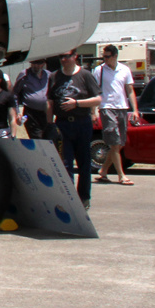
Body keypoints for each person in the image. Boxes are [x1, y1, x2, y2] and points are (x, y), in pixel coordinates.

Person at [48, 51, 102, 207]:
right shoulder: (54, 77)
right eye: (61, 57)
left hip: (81, 123)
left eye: (67, 56)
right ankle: (69, 198)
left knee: (84, 163)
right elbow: (50, 101)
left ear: (75, 56)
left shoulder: (85, 75)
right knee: (65, 163)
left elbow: (98, 98)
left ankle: (84, 197)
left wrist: (77, 103)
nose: (64, 59)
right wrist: (49, 124)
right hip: (63, 124)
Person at [94, 44, 141, 186]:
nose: (105, 59)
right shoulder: (99, 70)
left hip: (122, 108)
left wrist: (135, 110)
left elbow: (130, 90)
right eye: (104, 56)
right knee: (114, 143)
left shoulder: (124, 70)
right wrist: (94, 110)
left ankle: (103, 170)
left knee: (120, 143)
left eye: (107, 56)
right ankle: (121, 176)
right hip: (107, 107)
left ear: (115, 56)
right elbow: (94, 91)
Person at [12, 58, 53, 140]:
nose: (35, 66)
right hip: (31, 112)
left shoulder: (49, 75)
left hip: (46, 112)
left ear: (43, 64)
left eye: (38, 63)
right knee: (37, 137)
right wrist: (17, 112)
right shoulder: (24, 74)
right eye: (33, 63)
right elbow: (14, 94)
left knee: (48, 137)